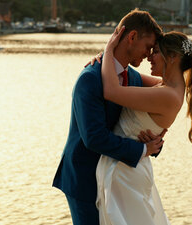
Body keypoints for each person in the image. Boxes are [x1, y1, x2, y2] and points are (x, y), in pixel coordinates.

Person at [52, 9, 164, 225]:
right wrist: (142, 150)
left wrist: (154, 143)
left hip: (117, 179)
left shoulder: (132, 77)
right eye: (148, 47)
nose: (148, 55)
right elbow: (93, 138)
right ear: (131, 37)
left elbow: (169, 91)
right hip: (85, 179)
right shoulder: (90, 78)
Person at [94, 27, 192, 225]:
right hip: (128, 168)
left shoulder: (167, 96)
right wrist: (105, 61)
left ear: (172, 57)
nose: (149, 57)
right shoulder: (165, 86)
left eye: (155, 52)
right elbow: (126, 73)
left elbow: (112, 91)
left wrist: (109, 49)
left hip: (126, 174)